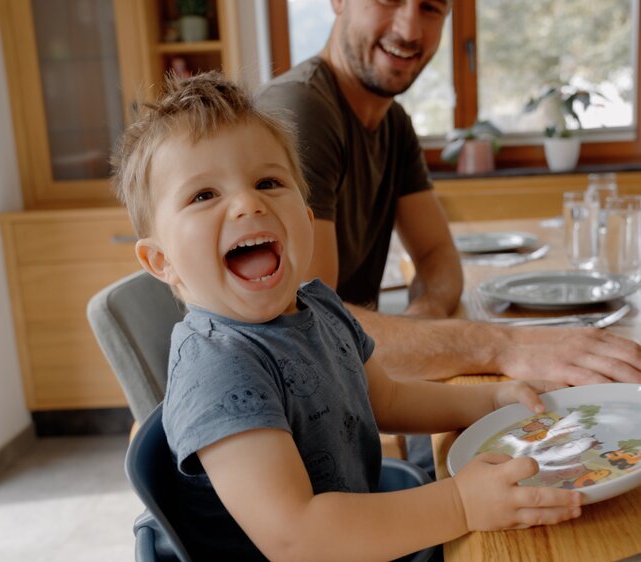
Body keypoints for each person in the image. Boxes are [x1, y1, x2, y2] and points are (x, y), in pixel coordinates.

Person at [112, 71, 582, 561]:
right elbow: (297, 536)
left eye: (269, 182)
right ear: (160, 262)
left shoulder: (319, 305)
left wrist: (492, 400)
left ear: (307, 219)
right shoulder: (218, 367)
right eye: (204, 195)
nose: (249, 203)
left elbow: (389, 399)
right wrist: (461, 503)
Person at [256, 0, 641, 386]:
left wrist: (423, 322)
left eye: (430, 7)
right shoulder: (299, 111)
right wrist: (505, 345)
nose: (409, 30)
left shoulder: (394, 123)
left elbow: (436, 255)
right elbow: (308, 322)